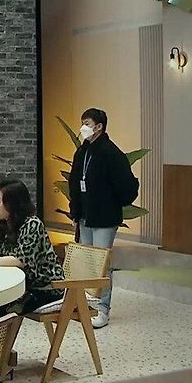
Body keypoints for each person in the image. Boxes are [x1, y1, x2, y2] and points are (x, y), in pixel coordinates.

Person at [67, 108, 139, 329]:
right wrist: (75, 211)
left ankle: (103, 308)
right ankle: (87, 304)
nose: (83, 128)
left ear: (99, 126)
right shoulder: (82, 152)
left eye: (87, 123)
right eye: (82, 123)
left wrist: (112, 202)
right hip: (85, 216)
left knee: (102, 263)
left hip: (104, 217)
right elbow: (74, 183)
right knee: (87, 262)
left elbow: (126, 186)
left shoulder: (111, 153)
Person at [0, 179, 64, 318]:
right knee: (1, 300)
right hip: (18, 285)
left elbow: (21, 260)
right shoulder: (2, 225)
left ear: (12, 204)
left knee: (6, 304)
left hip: (44, 288)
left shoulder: (32, 224)